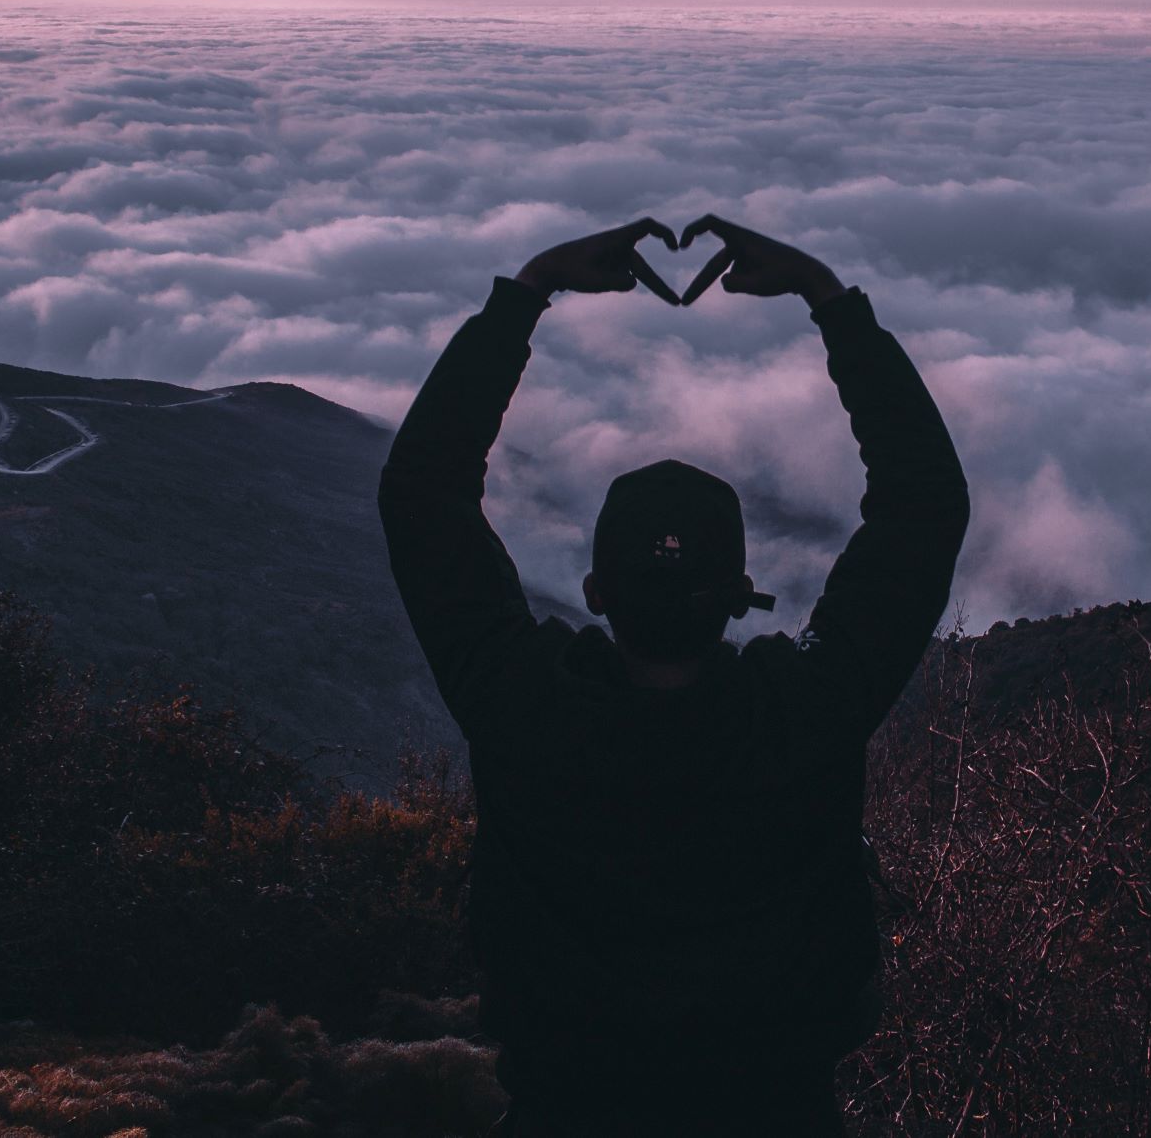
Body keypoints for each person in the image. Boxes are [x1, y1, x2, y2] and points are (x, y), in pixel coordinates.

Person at [378, 214, 970, 1137]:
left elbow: (422, 494)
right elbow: (922, 506)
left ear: (593, 594)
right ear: (740, 596)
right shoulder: (803, 713)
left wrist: (528, 289)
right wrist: (826, 297)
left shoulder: (523, 707)